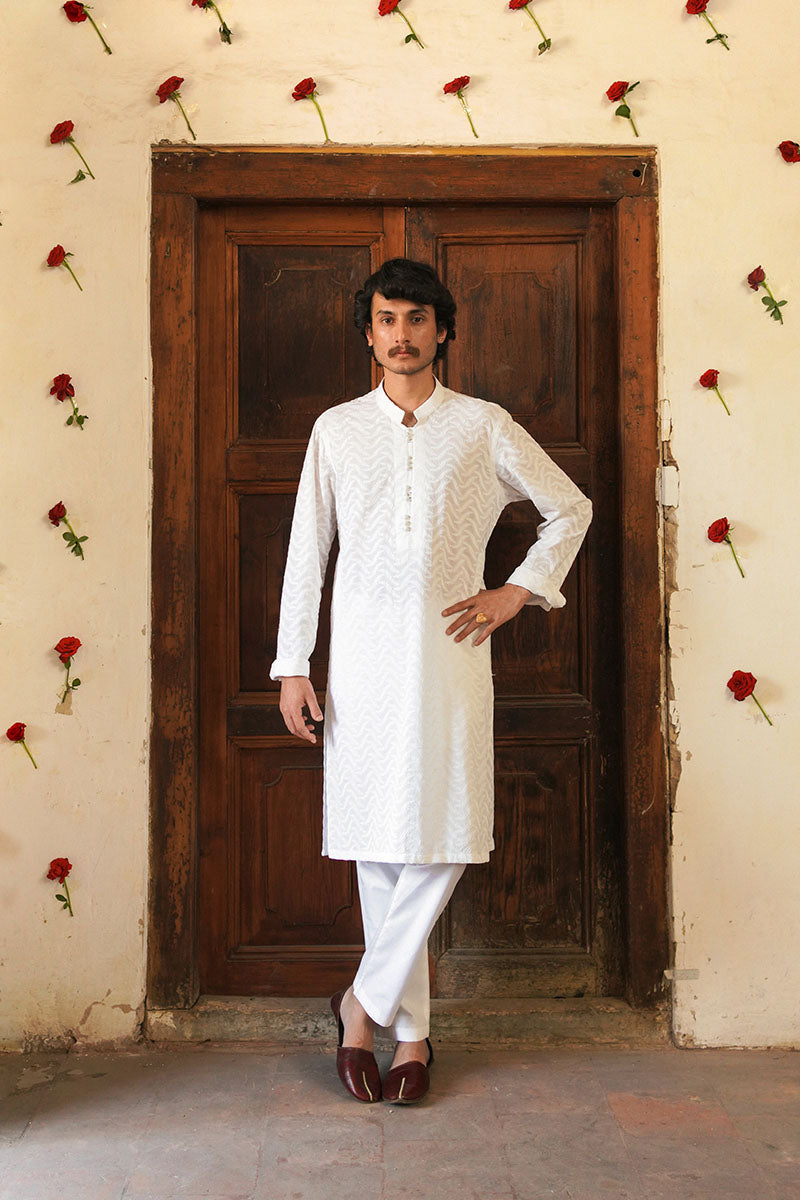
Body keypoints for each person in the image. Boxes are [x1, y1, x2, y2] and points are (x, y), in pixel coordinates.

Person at [269, 258, 592, 1104]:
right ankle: (407, 1035)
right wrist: (293, 665)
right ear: (369, 332)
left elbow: (571, 507)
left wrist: (518, 591)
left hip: (451, 654)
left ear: (442, 330)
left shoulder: (482, 425)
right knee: (380, 845)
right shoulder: (338, 430)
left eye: (416, 319)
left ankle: (359, 1005)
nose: (401, 334)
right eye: (387, 319)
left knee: (448, 833)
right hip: (361, 660)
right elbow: (307, 551)